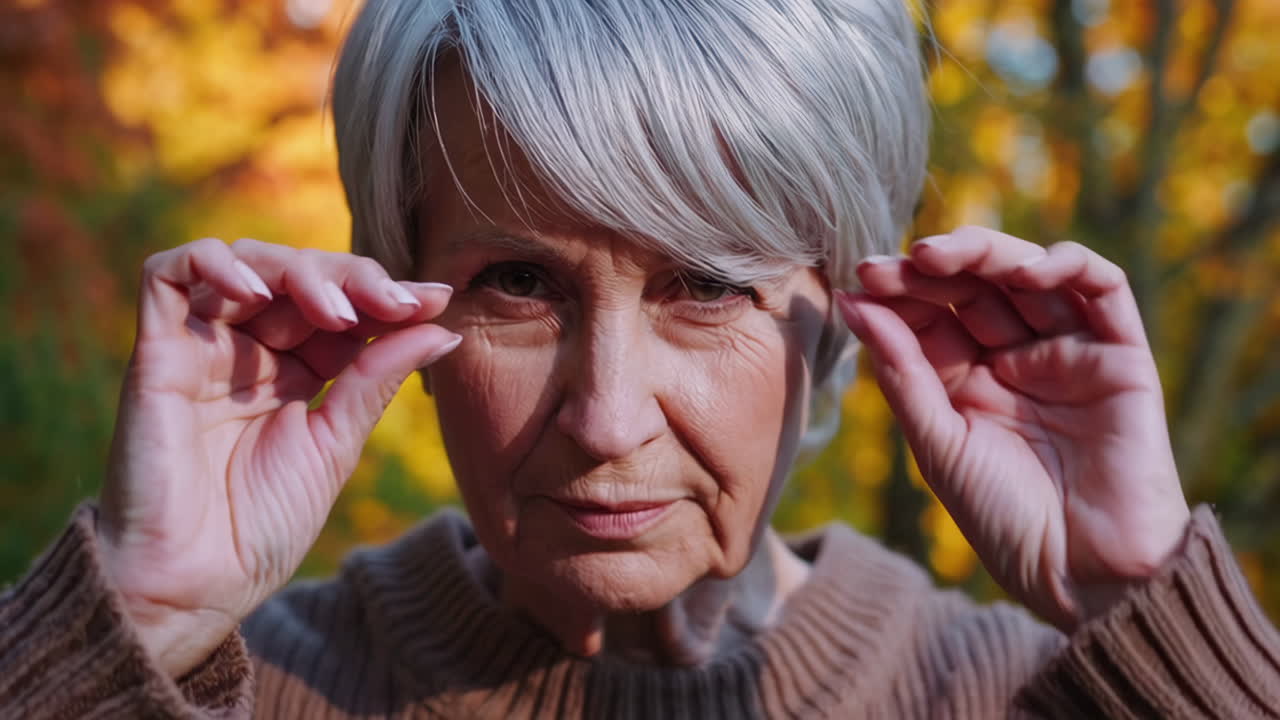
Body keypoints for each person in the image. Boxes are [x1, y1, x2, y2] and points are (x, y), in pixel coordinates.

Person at [2, 0, 1278, 717]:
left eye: (707, 285)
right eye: (517, 284)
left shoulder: (1019, 698)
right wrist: (141, 620)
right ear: (396, 305)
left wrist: (1140, 606)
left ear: (848, 304)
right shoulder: (237, 692)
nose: (607, 418)